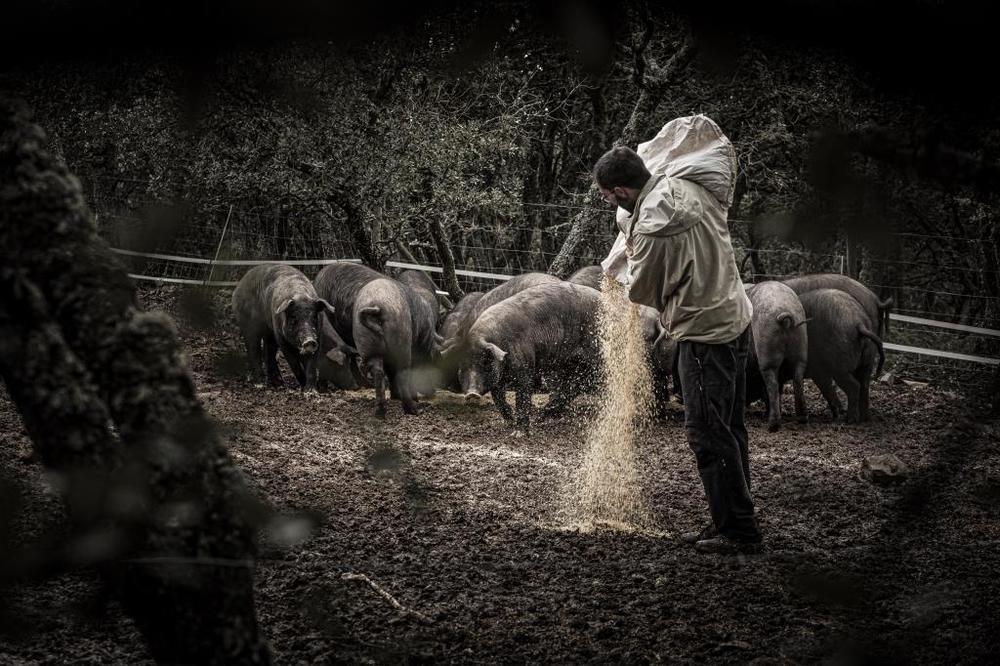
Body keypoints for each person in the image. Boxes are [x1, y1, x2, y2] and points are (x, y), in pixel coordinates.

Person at [593, 145, 762, 555]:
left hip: (703, 334)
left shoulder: (650, 229)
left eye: (607, 196)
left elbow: (642, 290)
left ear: (622, 192)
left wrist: (631, 255)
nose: (607, 202)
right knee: (730, 426)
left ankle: (739, 532)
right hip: (736, 318)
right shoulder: (688, 187)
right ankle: (733, 515)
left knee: (706, 432)